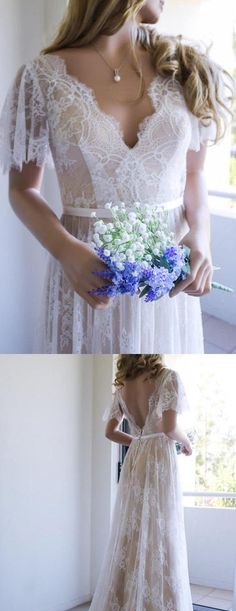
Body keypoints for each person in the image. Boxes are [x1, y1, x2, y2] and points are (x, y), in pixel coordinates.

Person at [0, 1, 233, 353]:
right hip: (86, 271)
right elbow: (21, 188)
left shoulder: (186, 67)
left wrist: (200, 236)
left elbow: (193, 171)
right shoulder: (40, 78)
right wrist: (65, 250)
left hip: (166, 272)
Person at [28, 354, 212, 611]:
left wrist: (138, 442)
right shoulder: (168, 377)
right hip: (159, 460)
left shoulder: (123, 384)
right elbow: (171, 426)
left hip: (138, 460)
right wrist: (185, 443)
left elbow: (111, 431)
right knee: (161, 538)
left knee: (131, 538)